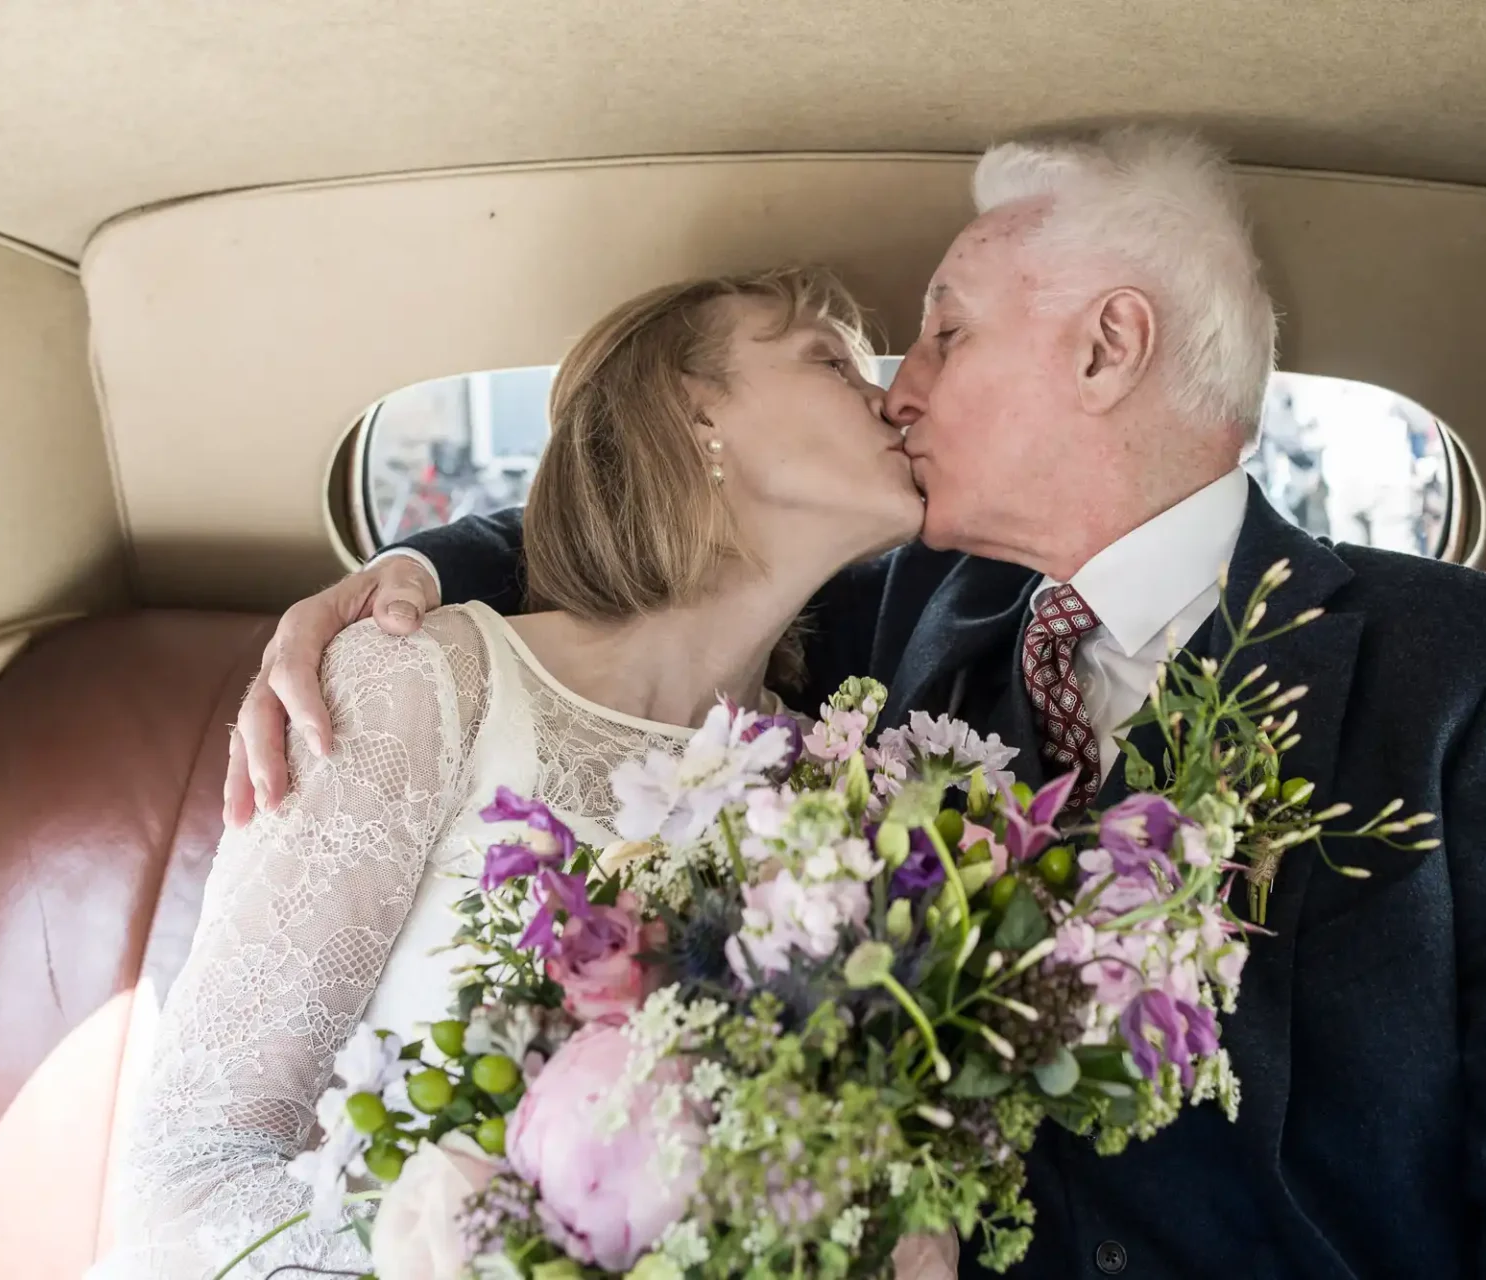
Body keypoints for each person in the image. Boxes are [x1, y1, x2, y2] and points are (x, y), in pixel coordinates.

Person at [230, 128, 1486, 1278]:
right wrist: (404, 580)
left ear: (1109, 347)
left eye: (944, 334)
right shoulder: (889, 609)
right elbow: (658, 533)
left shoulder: (1475, 677)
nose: (900, 391)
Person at [97, 267, 947, 1277]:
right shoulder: (422, 683)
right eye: (828, 359)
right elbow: (188, 1173)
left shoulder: (838, 802)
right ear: (695, 412)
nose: (894, 395)